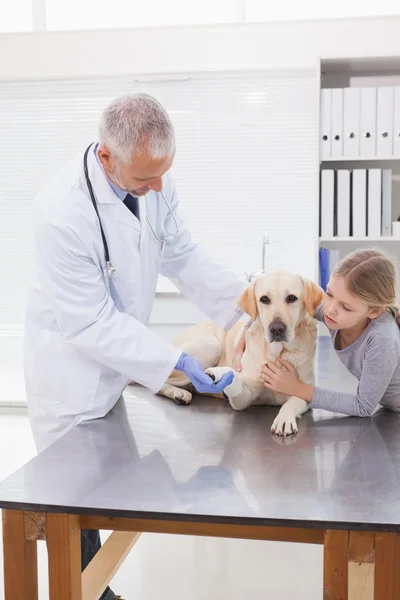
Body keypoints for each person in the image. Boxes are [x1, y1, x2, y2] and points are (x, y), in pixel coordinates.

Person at [24, 93, 246, 600]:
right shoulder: (60, 212)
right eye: (146, 178)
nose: (158, 187)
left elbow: (185, 255)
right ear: (107, 157)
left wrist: (245, 313)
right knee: (71, 502)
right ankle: (82, 594)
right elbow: (91, 322)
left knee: (106, 489)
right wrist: (175, 363)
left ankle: (96, 589)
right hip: (69, 374)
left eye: (163, 174)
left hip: (114, 363)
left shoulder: (153, 181)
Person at [233, 248, 400, 419]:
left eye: (346, 307)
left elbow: (363, 406)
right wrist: (245, 330)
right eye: (329, 294)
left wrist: (297, 388)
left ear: (374, 312)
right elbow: (280, 311)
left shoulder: (383, 340)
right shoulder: (333, 312)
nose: (330, 309)